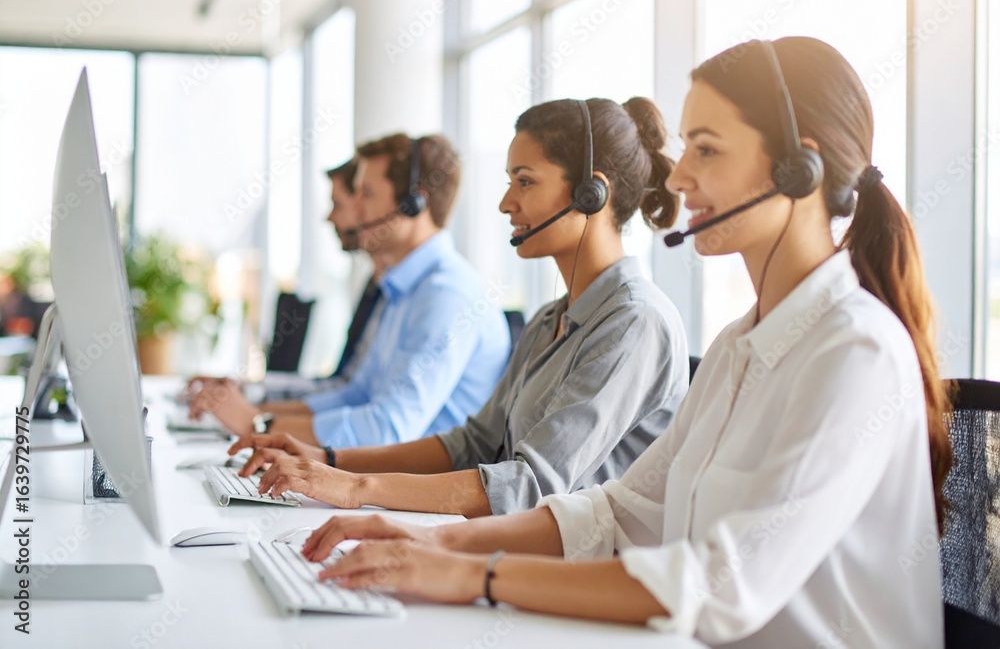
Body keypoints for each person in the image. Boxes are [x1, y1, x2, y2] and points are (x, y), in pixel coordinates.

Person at [288, 38, 952, 648]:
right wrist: (438, 543)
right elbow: (619, 513)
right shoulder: (737, 347)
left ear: (798, 168)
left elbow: (719, 587)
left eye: (707, 150)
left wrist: (472, 575)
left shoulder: (855, 353)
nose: (680, 176)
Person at [230, 97, 690, 518]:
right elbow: (474, 444)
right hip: (508, 545)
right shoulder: (550, 320)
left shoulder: (634, 323)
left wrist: (354, 487)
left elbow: (527, 487)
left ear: (590, 194)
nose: (505, 203)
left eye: (525, 181)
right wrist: (329, 460)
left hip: (577, 568)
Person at [188, 133, 511, 447]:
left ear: (415, 203)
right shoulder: (402, 288)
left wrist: (259, 424)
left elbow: (388, 429)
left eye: (366, 194)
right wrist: (257, 414)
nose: (354, 211)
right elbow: (355, 395)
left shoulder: (446, 295)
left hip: (414, 482)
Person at [186, 158, 385, 403]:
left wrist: (254, 414)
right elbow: (338, 386)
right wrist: (242, 390)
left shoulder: (392, 292)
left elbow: (345, 392)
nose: (329, 217)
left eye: (338, 204)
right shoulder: (374, 284)